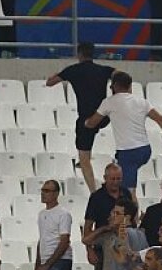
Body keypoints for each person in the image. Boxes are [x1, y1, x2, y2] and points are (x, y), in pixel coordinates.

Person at [83, 71, 162, 190]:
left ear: (114, 86)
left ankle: (132, 208)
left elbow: (92, 123)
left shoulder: (109, 102)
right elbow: (160, 119)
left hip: (128, 152)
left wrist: (84, 122)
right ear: (130, 86)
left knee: (129, 191)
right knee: (122, 181)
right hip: (145, 150)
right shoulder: (142, 102)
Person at [46, 43, 116, 190]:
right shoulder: (103, 70)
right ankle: (86, 158)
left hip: (87, 119)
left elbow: (50, 83)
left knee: (83, 157)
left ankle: (93, 190)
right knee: (90, 135)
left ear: (79, 55)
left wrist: (59, 75)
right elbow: (120, 74)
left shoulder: (74, 70)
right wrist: (114, 92)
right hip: (103, 117)